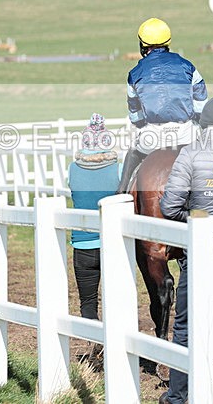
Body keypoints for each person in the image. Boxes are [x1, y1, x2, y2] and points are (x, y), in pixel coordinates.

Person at [158, 90, 213, 404]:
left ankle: (178, 395)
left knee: (184, 326)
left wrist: (193, 216)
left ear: (204, 123)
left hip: (197, 258)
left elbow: (169, 207)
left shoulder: (191, 153)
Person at [117, 17, 208, 193]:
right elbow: (201, 102)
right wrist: (196, 120)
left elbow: (135, 114)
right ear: (168, 41)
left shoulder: (134, 74)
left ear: (143, 45)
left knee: (133, 152)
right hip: (186, 134)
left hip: (153, 136)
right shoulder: (188, 66)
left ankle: (122, 192)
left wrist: (142, 124)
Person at [68, 113, 120, 365]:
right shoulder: (117, 168)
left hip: (82, 243)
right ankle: (117, 346)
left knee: (88, 300)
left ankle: (94, 347)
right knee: (116, 297)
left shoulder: (73, 168)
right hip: (112, 244)